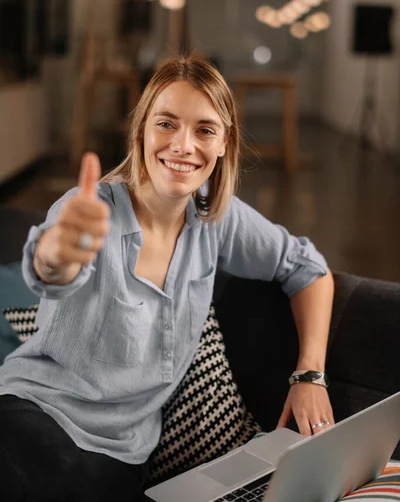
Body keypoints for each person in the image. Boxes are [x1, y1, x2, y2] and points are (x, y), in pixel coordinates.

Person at [0, 55, 335, 502]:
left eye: (204, 130)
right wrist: (57, 253)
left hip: (121, 454)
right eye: (166, 123)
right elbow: (52, 270)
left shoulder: (216, 217)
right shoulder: (89, 209)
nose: (183, 145)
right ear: (141, 128)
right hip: (33, 412)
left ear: (223, 143)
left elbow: (307, 267)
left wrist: (309, 374)